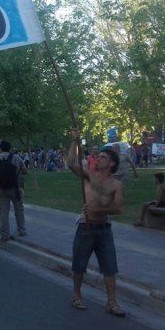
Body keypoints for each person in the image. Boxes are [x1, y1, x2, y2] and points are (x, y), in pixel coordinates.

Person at [65, 129, 126, 317]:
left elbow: (118, 209)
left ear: (112, 163)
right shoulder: (89, 175)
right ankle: (76, 295)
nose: (97, 159)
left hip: (103, 229)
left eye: (102, 157)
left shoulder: (116, 185)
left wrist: (98, 210)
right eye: (98, 156)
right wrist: (74, 141)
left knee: (109, 266)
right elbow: (70, 163)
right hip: (86, 226)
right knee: (79, 264)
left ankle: (112, 302)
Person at [0, 140, 27, 241]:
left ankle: (5, 235)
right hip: (15, 187)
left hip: (1, 189)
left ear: (0, 148)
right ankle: (22, 230)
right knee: (19, 209)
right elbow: (25, 171)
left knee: (3, 212)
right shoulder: (16, 157)